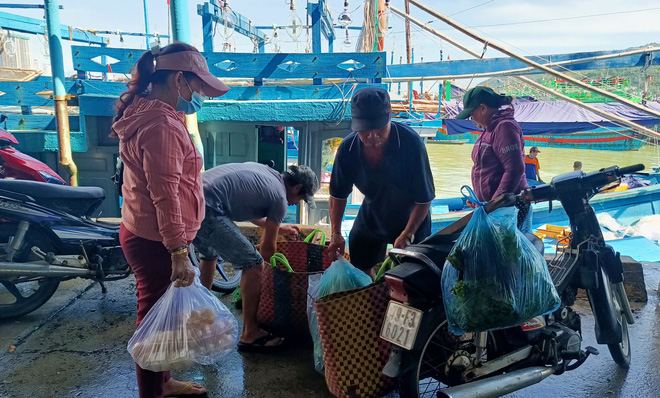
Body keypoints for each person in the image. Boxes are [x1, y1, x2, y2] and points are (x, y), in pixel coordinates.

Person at [112, 42, 229, 398]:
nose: (196, 95)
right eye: (195, 86)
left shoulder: (147, 109)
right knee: (154, 325)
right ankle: (153, 393)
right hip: (157, 240)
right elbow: (165, 193)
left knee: (164, 315)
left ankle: (163, 383)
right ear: (179, 79)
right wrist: (179, 251)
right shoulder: (161, 124)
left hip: (144, 230)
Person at [196, 163, 319, 352]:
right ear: (296, 188)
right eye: (301, 197)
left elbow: (247, 209)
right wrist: (277, 276)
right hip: (210, 209)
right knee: (253, 264)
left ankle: (201, 323)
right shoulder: (280, 199)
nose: (297, 203)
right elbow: (267, 249)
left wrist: (279, 227)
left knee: (209, 255)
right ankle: (250, 333)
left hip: (192, 198)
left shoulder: (268, 174)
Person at [327, 87, 435, 276]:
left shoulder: (412, 144)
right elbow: (338, 194)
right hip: (373, 211)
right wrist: (335, 233)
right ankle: (370, 296)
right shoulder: (348, 149)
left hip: (410, 215)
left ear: (389, 118)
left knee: (413, 274)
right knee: (359, 257)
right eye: (365, 131)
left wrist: (408, 234)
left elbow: (424, 199)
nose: (373, 137)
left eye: (379, 129)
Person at [456, 86, 532, 233]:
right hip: (494, 207)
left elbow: (515, 169)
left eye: (472, 115)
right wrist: (480, 201)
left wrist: (493, 205)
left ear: (483, 108)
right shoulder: (489, 129)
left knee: (506, 253)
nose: (472, 120)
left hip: (508, 207)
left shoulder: (504, 127)